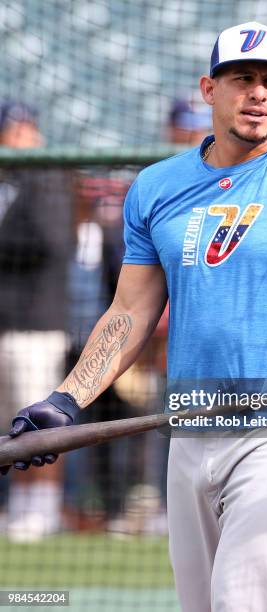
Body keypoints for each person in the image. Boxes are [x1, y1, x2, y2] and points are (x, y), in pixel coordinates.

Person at [2, 21, 267, 611]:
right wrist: (65, 400)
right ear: (210, 89)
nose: (258, 93)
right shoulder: (156, 187)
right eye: (242, 79)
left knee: (244, 603)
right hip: (188, 429)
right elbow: (130, 309)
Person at [0, 101, 73, 540]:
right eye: (13, 128)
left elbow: (49, 240)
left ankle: (43, 510)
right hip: (7, 322)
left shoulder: (48, 175)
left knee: (37, 421)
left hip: (37, 324)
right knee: (10, 422)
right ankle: (20, 506)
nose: (18, 135)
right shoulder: (8, 180)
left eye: (25, 128)